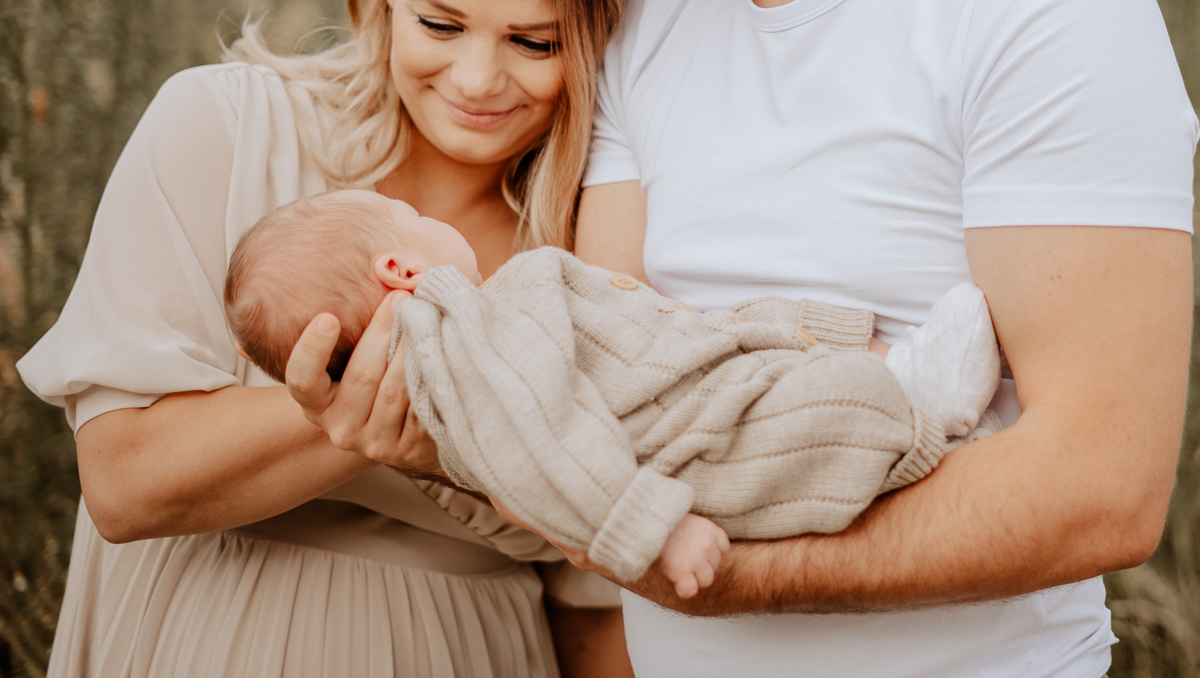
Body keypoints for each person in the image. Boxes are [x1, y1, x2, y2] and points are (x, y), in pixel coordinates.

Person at [456, 0, 1197, 678]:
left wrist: (724, 576)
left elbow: (1097, 487)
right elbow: (610, 381)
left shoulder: (1041, 1)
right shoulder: (649, 27)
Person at [16, 0, 662, 678]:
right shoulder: (224, 129)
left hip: (468, 674)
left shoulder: (601, 249)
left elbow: (597, 596)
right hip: (190, 659)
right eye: (441, 24)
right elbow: (125, 480)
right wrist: (359, 412)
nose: (478, 80)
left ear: (615, 22)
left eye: (535, 40)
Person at [223, 188, 1001, 598]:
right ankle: (921, 407)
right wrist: (653, 530)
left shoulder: (469, 347)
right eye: (412, 217)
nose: (431, 218)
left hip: (680, 378)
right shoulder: (467, 338)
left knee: (764, 347)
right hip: (681, 434)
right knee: (816, 418)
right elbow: (544, 442)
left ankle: (897, 366)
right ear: (399, 269)